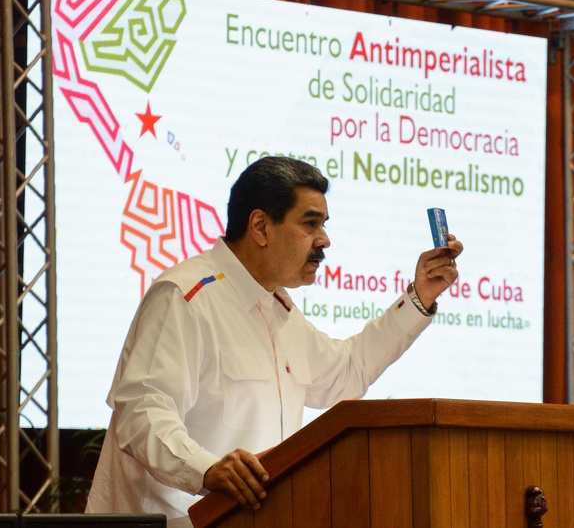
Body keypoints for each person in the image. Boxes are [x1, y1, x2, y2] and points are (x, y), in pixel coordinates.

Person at [85, 156, 463, 523]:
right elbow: (142, 411)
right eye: (310, 223)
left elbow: (347, 371)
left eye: (324, 224)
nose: (325, 240)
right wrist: (207, 469)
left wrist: (420, 297)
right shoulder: (185, 296)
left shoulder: (278, 308)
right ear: (261, 227)